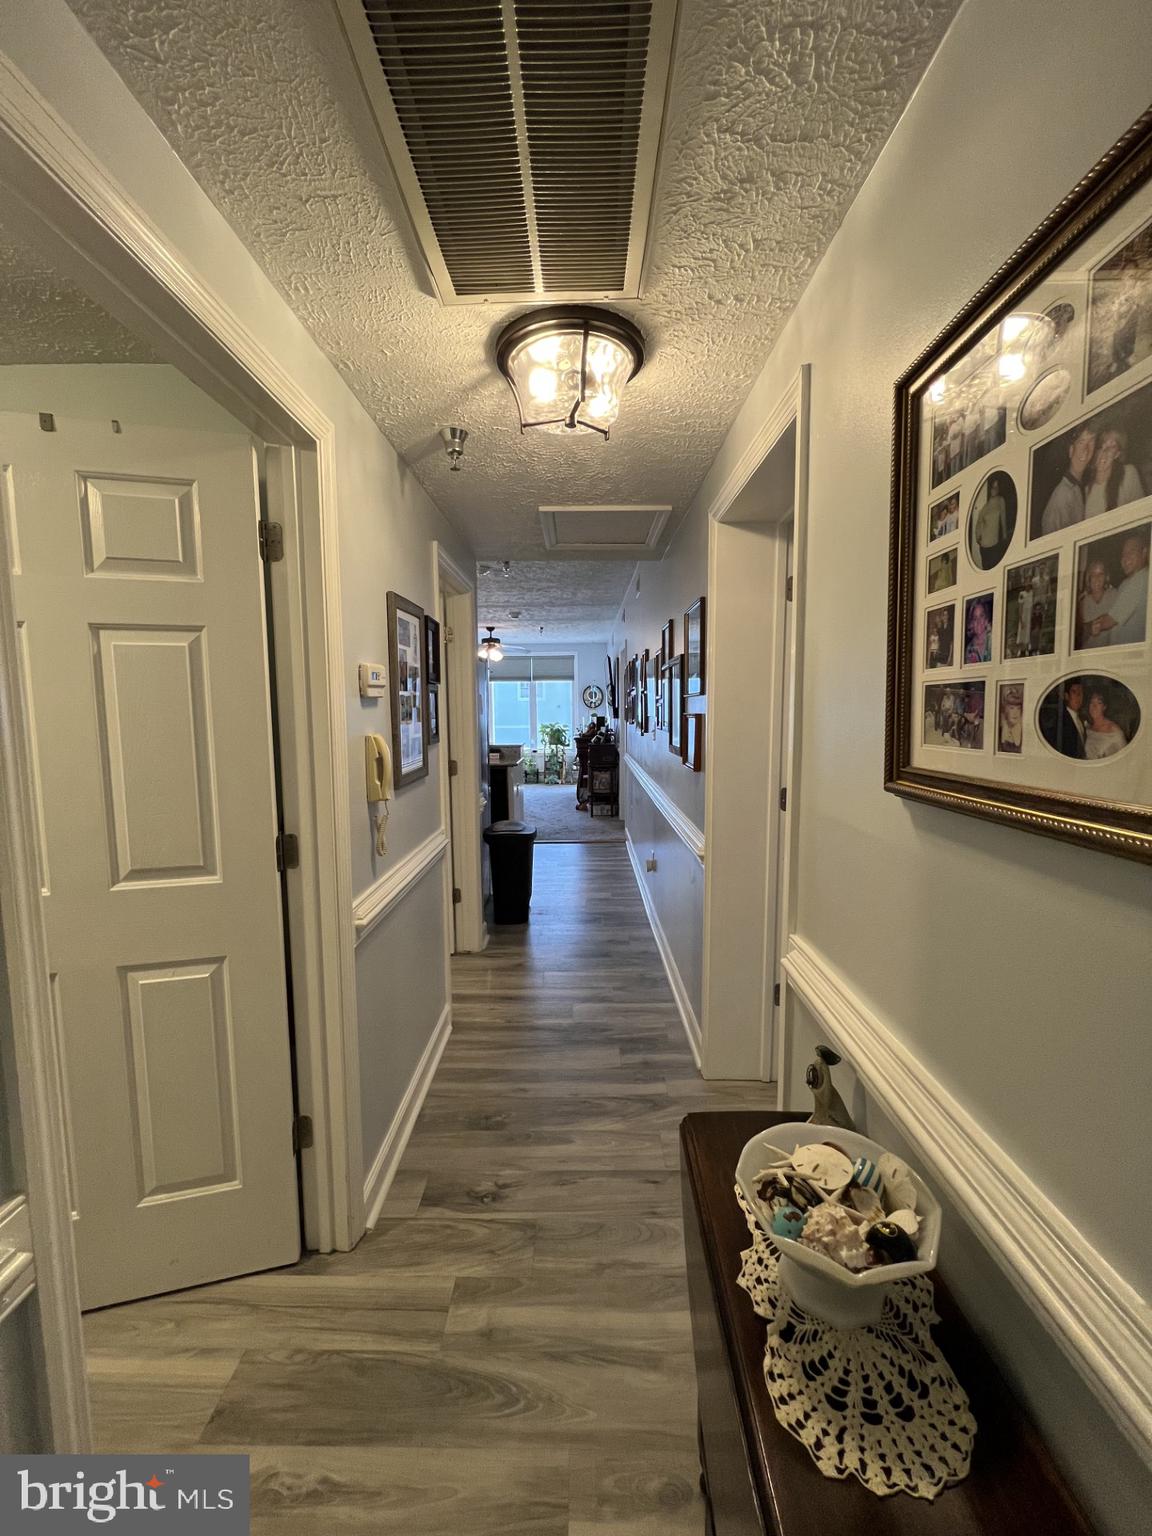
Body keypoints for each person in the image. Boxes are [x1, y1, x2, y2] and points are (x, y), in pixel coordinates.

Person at [1092, 530, 1150, 646]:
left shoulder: (1142, 578)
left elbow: (1111, 620)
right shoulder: (1126, 583)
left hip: (1130, 654)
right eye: (1123, 554)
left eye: (1131, 552)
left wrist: (1092, 626)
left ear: (1144, 552)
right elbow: (1113, 613)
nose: (1125, 558)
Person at [1039, 424, 1096, 535]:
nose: (1086, 449)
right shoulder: (1062, 495)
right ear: (1071, 450)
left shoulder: (1084, 488)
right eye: (1081, 442)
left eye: (1091, 442)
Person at [1084, 428, 1144, 518]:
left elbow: (1141, 514)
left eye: (1111, 447)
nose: (1104, 452)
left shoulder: (1128, 474)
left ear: (1117, 454)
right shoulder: (1086, 489)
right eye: (1101, 446)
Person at [1039, 679, 1087, 758]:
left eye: (1081, 692)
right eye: (1074, 692)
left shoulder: (1083, 717)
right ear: (1066, 696)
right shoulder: (1059, 721)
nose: (1078, 696)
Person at [971, 475, 1010, 568]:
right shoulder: (985, 507)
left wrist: (1005, 536)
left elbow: (1003, 519)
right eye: (993, 487)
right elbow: (978, 523)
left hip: (995, 544)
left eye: (996, 487)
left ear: (999, 489)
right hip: (984, 545)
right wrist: (977, 537)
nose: (994, 489)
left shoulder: (1000, 501)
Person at [1077, 559, 1114, 648]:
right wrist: (1089, 628)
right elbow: (1078, 633)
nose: (1097, 578)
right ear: (1089, 578)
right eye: (1093, 575)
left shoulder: (1114, 594)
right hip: (1088, 652)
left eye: (1100, 574)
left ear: (1106, 577)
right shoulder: (1082, 601)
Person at [1083, 689, 1128, 759]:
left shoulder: (1114, 729)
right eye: (1091, 702)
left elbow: (1126, 757)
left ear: (1104, 707)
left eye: (1099, 703)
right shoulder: (1087, 727)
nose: (1094, 706)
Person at [964, 599, 992, 663]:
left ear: (986, 618)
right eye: (975, 618)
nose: (978, 621)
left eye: (981, 616)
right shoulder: (969, 649)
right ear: (971, 623)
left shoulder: (994, 640)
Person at [1015, 572, 1036, 654]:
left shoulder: (1032, 593)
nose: (1027, 583)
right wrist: (1021, 619)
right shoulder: (1022, 594)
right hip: (1024, 614)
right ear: (1024, 583)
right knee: (1022, 631)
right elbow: (1020, 607)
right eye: (1026, 581)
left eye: (1029, 581)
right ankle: (1020, 650)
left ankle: (1027, 648)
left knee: (1028, 631)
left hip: (1030, 613)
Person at [998, 686, 1023, 753]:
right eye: (1011, 708)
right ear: (1006, 710)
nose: (1015, 713)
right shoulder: (999, 729)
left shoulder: (1023, 732)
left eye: (1018, 708)